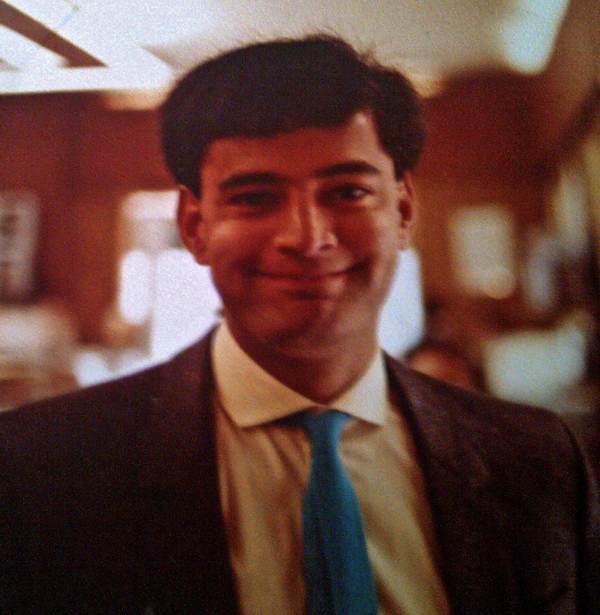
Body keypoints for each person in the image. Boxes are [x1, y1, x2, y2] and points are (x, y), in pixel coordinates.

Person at [0, 35, 598, 615]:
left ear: (403, 211)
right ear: (194, 227)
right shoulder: (42, 470)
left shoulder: (536, 462)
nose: (308, 238)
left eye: (348, 191)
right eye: (255, 197)